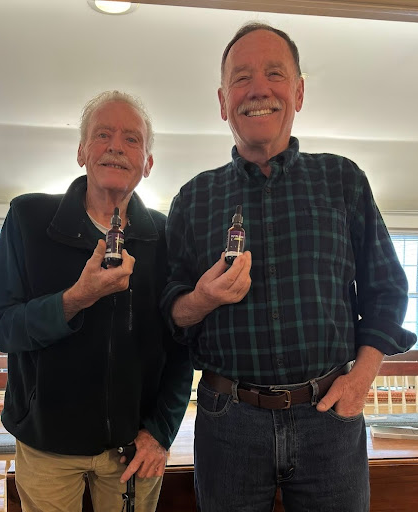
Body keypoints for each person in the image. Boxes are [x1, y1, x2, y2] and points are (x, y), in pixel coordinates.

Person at [161, 23, 417, 512]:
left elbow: (386, 290)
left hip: (331, 416)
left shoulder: (343, 179)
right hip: (227, 422)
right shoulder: (192, 199)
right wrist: (201, 299)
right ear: (223, 102)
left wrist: (361, 380)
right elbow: (169, 314)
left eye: (274, 74)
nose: (258, 88)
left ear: (298, 92)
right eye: (241, 78)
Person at [0, 90, 193, 512]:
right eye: (103, 135)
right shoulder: (27, 219)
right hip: (46, 446)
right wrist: (75, 299)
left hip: (133, 450)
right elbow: (1, 326)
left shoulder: (168, 236)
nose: (116, 146)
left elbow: (181, 344)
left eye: (132, 139)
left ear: (148, 163)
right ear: (81, 151)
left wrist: (161, 431)